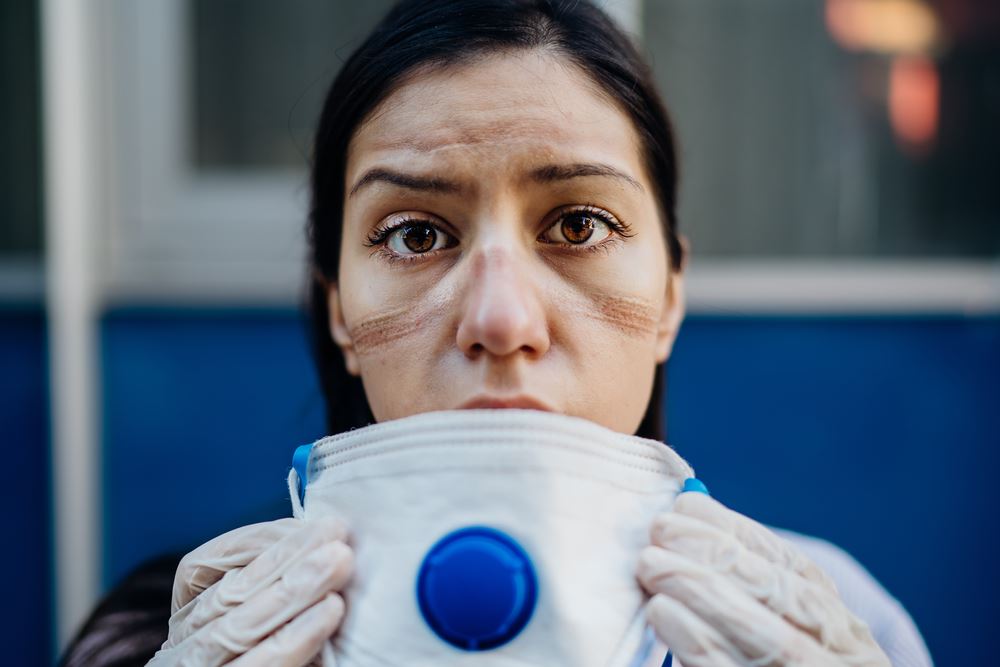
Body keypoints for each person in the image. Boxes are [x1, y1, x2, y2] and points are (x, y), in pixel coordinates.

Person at [60, 1, 933, 665]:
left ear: (670, 293)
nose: (502, 320)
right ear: (339, 311)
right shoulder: (166, 634)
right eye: (414, 234)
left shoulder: (836, 620)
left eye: (580, 224)